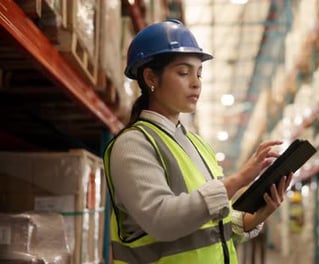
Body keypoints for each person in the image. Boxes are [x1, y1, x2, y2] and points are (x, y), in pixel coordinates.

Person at [103, 19, 293, 264]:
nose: (196, 83)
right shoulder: (134, 145)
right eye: (183, 73)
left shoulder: (197, 144)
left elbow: (208, 227)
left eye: (199, 74)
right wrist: (237, 181)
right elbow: (162, 221)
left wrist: (250, 219)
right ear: (151, 77)